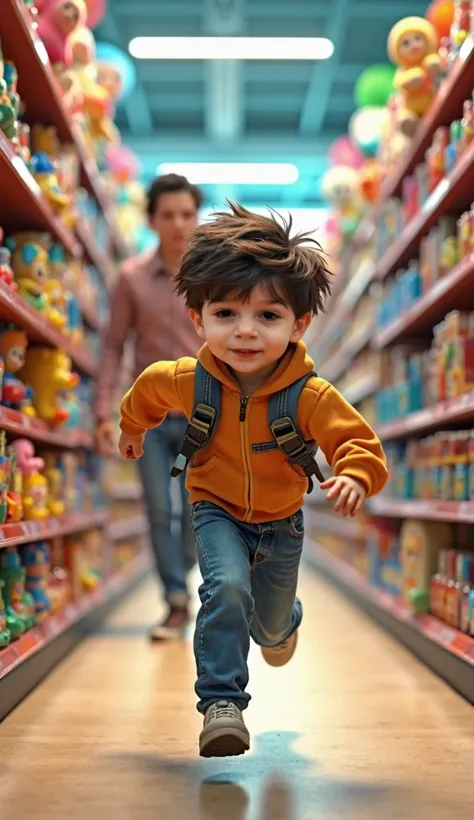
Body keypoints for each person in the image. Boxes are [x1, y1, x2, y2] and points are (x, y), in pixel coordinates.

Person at [117, 203, 388, 758]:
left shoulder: (309, 395)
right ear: (198, 317)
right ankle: (222, 704)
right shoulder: (189, 381)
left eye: (268, 316)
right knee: (225, 589)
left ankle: (284, 620)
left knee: (267, 627)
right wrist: (133, 430)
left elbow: (356, 441)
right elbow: (146, 390)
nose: (245, 332)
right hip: (214, 506)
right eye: (225, 314)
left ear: (299, 324)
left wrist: (356, 476)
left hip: (282, 521)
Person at [95, 174, 203, 641]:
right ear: (151, 220)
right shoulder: (131, 279)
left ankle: (182, 574)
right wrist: (104, 413)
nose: (179, 224)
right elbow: (114, 347)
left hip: (204, 419)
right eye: (168, 215)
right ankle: (176, 601)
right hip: (151, 421)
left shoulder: (213, 276)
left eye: (187, 214)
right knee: (159, 510)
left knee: (199, 511)